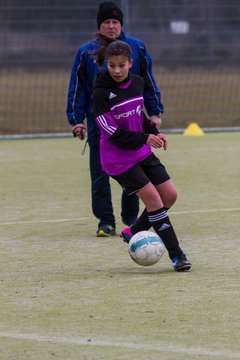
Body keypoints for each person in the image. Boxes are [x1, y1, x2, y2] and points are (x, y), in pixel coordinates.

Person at [92, 37, 191, 271]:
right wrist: (145, 138)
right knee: (155, 202)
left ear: (130, 63)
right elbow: (112, 131)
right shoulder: (101, 93)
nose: (116, 70)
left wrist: (153, 132)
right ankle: (177, 256)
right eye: (112, 65)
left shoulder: (137, 82)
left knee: (169, 196)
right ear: (107, 63)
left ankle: (133, 231)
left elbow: (140, 117)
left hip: (141, 150)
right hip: (118, 160)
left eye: (121, 65)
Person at [66, 1, 164, 237]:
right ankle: (105, 221)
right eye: (106, 22)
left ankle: (131, 218)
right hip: (101, 125)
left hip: (131, 125)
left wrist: (154, 112)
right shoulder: (86, 52)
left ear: (121, 24)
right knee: (99, 173)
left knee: (133, 171)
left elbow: (147, 82)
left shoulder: (136, 48)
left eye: (115, 22)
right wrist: (76, 119)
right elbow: (78, 88)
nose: (111, 26)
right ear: (99, 25)